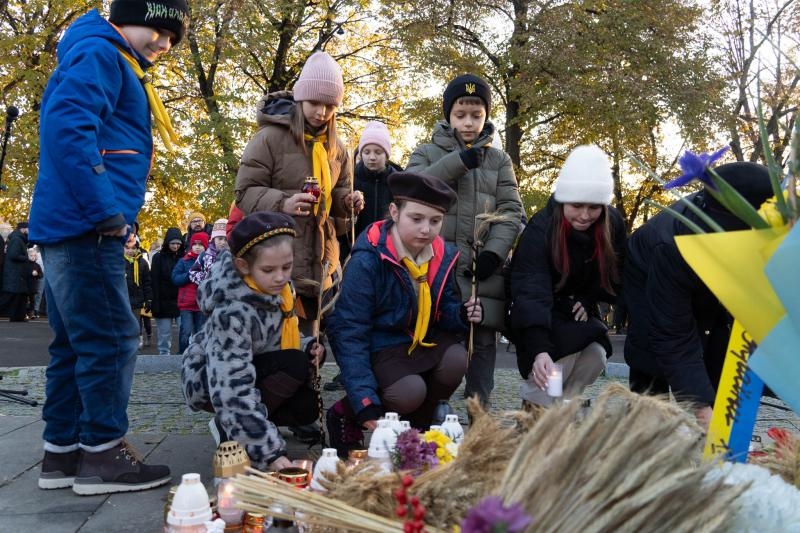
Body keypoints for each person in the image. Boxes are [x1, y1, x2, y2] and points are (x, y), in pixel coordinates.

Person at [28, 0, 188, 494]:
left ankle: (64, 452)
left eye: (172, 37)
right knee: (112, 337)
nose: (163, 44)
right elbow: (68, 129)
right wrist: (107, 211)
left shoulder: (100, 53)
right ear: (126, 17)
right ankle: (102, 455)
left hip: (69, 224)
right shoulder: (102, 53)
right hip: (86, 225)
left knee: (74, 343)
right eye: (158, 29)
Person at [326, 172, 483, 457]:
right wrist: (365, 401)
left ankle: (416, 427)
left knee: (457, 359)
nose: (426, 230)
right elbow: (348, 330)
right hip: (381, 345)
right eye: (417, 218)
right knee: (409, 391)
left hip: (419, 338)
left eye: (435, 221)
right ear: (395, 212)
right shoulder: (368, 259)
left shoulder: (441, 253)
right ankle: (345, 412)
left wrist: (460, 314)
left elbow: (442, 308)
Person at [623, 161, 774, 428]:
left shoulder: (773, 220)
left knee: (718, 344)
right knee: (651, 351)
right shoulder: (670, 246)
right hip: (646, 274)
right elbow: (672, 333)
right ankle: (645, 431)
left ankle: (717, 432)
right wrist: (701, 407)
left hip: (708, 274)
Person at [407, 73, 524, 406]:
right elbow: (413, 190)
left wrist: (493, 254)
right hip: (434, 271)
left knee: (481, 345)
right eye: (461, 115)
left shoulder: (500, 161)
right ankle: (431, 413)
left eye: (477, 115)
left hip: (480, 274)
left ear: (487, 116)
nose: (469, 123)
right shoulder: (426, 152)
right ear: (449, 115)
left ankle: (479, 417)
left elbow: (511, 211)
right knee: (434, 341)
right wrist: (456, 163)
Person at [181, 212, 325, 471]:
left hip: (250, 366)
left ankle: (245, 428)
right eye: (269, 269)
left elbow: (274, 335)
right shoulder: (232, 312)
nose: (281, 277)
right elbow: (231, 389)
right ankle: (234, 432)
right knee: (292, 364)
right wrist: (270, 454)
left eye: (287, 267)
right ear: (243, 266)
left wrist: (307, 346)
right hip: (212, 382)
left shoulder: (278, 290)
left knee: (306, 404)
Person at [234, 51, 364, 336]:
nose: (321, 112)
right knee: (274, 340)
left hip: (320, 260)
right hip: (277, 256)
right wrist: (284, 202)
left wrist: (347, 201)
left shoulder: (338, 149)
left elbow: (339, 192)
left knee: (310, 343)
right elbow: (244, 192)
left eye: (329, 105)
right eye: (314, 103)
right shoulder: (268, 138)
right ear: (300, 99)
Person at [508, 145, 626, 407]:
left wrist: (587, 298)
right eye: (576, 206)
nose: (585, 216)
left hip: (576, 310)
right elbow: (530, 290)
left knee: (595, 354)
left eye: (594, 207)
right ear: (563, 201)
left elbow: (614, 274)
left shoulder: (611, 224)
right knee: (559, 358)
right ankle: (538, 410)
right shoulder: (541, 230)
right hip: (539, 315)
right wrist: (539, 350)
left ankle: (562, 405)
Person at [325, 120, 401, 392]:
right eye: (366, 151)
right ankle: (349, 370)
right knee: (351, 317)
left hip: (389, 258)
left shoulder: (398, 181)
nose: (371, 157)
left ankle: (381, 367)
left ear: (386, 154)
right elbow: (337, 219)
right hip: (354, 256)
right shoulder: (350, 180)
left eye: (377, 152)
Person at [172, 231, 208, 354]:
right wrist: (189, 275)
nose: (197, 247)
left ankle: (199, 356)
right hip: (186, 303)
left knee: (200, 332)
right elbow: (175, 279)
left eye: (201, 244)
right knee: (185, 331)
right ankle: (181, 354)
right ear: (191, 245)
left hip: (201, 303)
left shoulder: (208, 262)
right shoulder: (184, 261)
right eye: (195, 244)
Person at [151, 228, 184, 355]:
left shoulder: (184, 257)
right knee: (164, 335)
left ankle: (184, 358)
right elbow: (154, 280)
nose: (175, 246)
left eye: (178, 243)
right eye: (172, 243)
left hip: (181, 301)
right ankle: (163, 359)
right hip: (163, 302)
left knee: (185, 333)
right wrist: (155, 302)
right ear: (167, 243)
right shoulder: (158, 258)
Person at [124, 233, 153, 349]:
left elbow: (147, 283)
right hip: (123, 298)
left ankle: (135, 344)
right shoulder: (118, 262)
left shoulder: (142, 263)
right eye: (127, 247)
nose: (130, 251)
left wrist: (148, 298)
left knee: (136, 323)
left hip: (137, 299)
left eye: (133, 248)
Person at [2, 222, 31, 322]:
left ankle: (18, 316)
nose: (30, 231)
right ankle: (17, 316)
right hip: (14, 273)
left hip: (17, 272)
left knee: (20, 296)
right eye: (28, 229)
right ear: (23, 229)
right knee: (10, 296)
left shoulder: (19, 239)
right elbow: (13, 255)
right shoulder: (17, 239)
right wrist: (27, 258)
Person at [188, 218, 228, 286]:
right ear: (213, 239)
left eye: (226, 239)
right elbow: (192, 272)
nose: (223, 242)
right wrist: (206, 280)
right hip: (209, 293)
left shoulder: (233, 256)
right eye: (220, 239)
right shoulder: (205, 255)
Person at [25, 247, 44, 320]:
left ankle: (32, 313)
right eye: (31, 256)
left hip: (33, 286)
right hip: (26, 286)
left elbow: (41, 275)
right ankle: (25, 313)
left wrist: (37, 274)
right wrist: (31, 273)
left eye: (34, 256)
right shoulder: (26, 264)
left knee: (32, 300)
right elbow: (24, 273)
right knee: (25, 300)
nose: (33, 257)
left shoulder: (37, 265)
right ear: (28, 256)